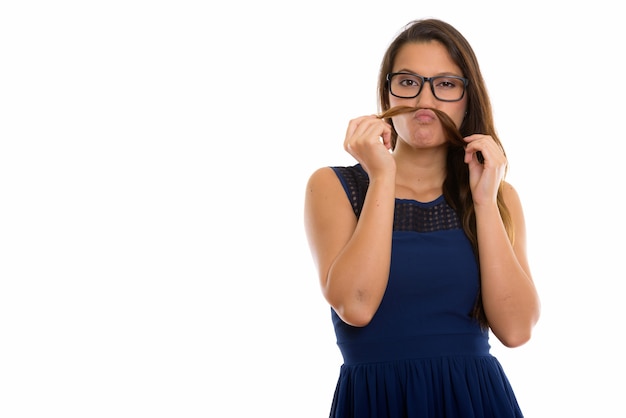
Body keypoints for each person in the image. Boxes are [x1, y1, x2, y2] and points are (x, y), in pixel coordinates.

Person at [303, 18, 540, 417]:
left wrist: (484, 203)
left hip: (477, 402)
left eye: (445, 84)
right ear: (387, 94)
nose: (424, 100)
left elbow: (516, 331)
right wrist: (382, 176)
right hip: (376, 402)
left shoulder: (497, 197)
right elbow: (356, 306)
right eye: (409, 82)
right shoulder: (334, 187)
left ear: (468, 99)